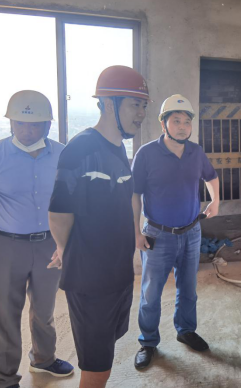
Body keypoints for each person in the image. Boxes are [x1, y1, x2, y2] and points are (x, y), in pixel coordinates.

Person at [47, 65, 149, 388]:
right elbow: (59, 214)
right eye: (135, 104)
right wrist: (66, 249)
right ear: (107, 103)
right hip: (91, 281)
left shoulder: (118, 146)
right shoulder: (81, 149)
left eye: (144, 105)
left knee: (107, 348)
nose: (141, 113)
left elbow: (124, 201)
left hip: (117, 274)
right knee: (97, 369)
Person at [0, 90, 73, 388]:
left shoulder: (63, 155)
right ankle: (5, 377)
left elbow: (71, 202)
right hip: (5, 244)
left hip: (50, 243)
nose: (28, 130)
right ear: (11, 123)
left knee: (45, 308)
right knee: (3, 314)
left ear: (48, 125)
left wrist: (65, 243)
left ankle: (44, 359)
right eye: (21, 123)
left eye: (36, 124)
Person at [131, 94, 219, 370]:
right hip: (158, 234)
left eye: (186, 122)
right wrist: (136, 232)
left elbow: (211, 176)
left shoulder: (196, 152)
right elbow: (133, 195)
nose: (182, 127)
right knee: (151, 292)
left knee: (188, 288)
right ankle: (148, 342)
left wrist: (215, 200)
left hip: (192, 232)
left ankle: (186, 330)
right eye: (176, 121)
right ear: (163, 124)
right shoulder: (146, 154)